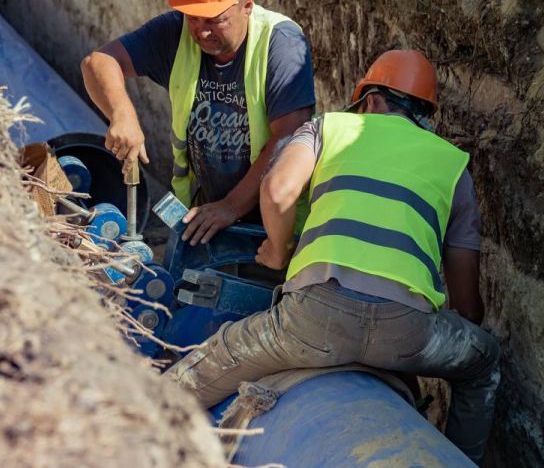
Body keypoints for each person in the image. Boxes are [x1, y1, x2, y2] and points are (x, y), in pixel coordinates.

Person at [166, 50, 500, 465]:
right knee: (483, 364)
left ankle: (128, 429)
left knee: (207, 367)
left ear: (372, 100)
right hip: (409, 334)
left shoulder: (330, 127)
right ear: (424, 114)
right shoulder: (453, 167)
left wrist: (276, 252)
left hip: (313, 320)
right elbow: (467, 306)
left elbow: (277, 190)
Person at [81, 0, 315, 245]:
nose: (201, 32)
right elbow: (98, 62)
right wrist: (121, 113)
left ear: (247, 4)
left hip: (272, 230)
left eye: (214, 19)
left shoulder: (280, 44)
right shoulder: (175, 34)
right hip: (202, 218)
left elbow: (290, 136)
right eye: (193, 17)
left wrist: (230, 207)